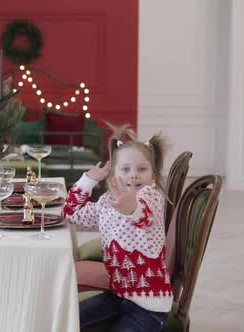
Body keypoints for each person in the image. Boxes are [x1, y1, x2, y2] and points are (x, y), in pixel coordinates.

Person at [62, 125, 171, 331]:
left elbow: (142, 216)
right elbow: (71, 213)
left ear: (153, 176)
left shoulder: (151, 197)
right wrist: (88, 180)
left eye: (142, 169)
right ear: (113, 175)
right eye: (125, 169)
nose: (133, 175)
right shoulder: (107, 202)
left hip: (149, 307)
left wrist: (131, 207)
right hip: (117, 295)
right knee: (67, 321)